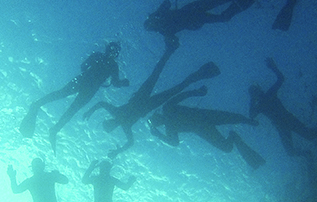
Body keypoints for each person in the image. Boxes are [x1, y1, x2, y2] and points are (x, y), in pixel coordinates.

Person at [84, 38, 220, 158]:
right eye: (110, 126)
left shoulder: (118, 116)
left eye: (108, 124)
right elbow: (130, 142)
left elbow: (101, 104)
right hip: (147, 104)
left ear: (109, 121)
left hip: (141, 98)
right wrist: (117, 151)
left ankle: (171, 50)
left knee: (158, 74)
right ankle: (200, 74)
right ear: (112, 125)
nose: (111, 124)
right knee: (173, 86)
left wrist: (90, 111)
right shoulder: (123, 123)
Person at [19, 41, 129, 153]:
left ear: (107, 49)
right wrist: (123, 83)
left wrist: (93, 68)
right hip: (91, 88)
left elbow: (83, 66)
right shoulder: (113, 65)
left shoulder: (98, 55)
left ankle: (39, 105)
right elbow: (115, 83)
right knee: (72, 109)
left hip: (82, 80)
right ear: (117, 54)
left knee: (61, 94)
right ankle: (55, 129)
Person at [149, 86, 265, 169]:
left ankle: (248, 122)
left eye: (156, 120)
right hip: (202, 128)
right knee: (227, 147)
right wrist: (158, 134)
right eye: (156, 123)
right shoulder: (170, 127)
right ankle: (234, 135)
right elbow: (174, 143)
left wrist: (197, 92)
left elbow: (182, 95)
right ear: (158, 124)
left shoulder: (167, 109)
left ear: (158, 115)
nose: (158, 121)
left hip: (203, 117)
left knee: (231, 118)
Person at [144, 0, 269, 47]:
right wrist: (169, 40)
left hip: (192, 12)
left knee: (224, 1)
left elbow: (167, 2)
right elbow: (175, 40)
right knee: (223, 10)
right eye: (152, 26)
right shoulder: (165, 32)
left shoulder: (161, 16)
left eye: (151, 23)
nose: (154, 24)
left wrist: (157, 12)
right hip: (194, 17)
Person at [248, 57, 317, 157]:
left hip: (287, 120)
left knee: (308, 136)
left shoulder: (268, 95)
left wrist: (273, 67)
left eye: (255, 91)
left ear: (259, 90)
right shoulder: (261, 104)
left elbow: (281, 79)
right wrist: (273, 67)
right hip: (282, 126)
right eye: (253, 93)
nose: (256, 93)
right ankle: (309, 154)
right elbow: (251, 116)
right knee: (292, 150)